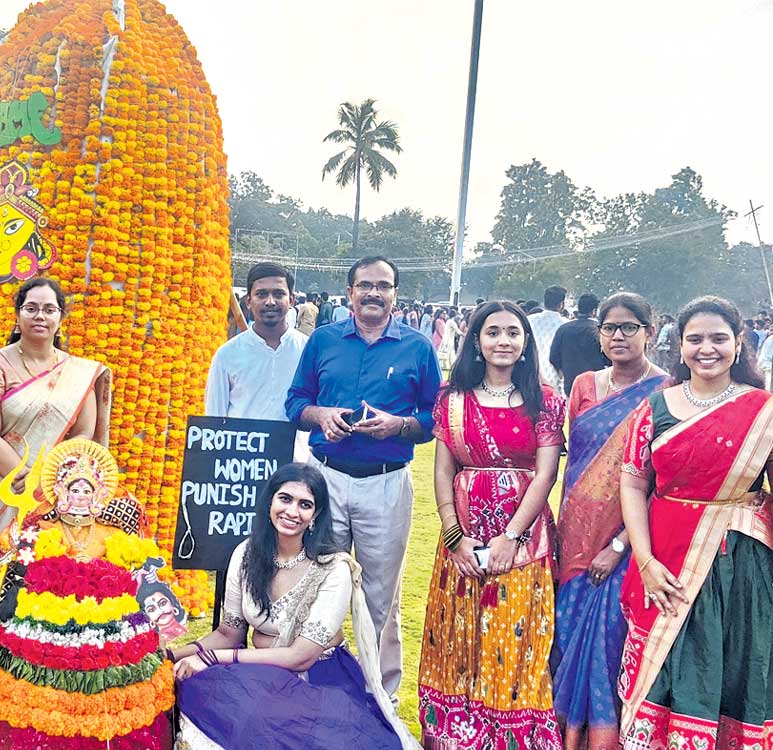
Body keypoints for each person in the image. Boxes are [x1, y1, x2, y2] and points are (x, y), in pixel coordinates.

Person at [616, 295, 773, 750]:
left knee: (737, 673)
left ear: (739, 344)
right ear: (680, 345)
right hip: (667, 565)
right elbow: (633, 485)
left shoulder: (769, 414)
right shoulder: (654, 409)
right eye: (695, 339)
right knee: (669, 674)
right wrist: (646, 559)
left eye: (719, 338)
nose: (706, 348)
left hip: (742, 572)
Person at [174, 463, 417, 750]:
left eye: (305, 504)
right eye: (285, 499)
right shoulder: (246, 554)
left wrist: (213, 658)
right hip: (264, 674)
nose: (292, 511)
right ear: (269, 502)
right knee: (190, 685)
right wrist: (169, 654)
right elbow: (229, 633)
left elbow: (300, 657)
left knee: (261, 728)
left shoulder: (333, 569)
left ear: (315, 516)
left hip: (319, 680)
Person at [286, 255, 441, 696]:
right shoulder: (323, 341)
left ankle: (383, 692)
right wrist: (322, 415)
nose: (374, 293)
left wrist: (400, 425)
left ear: (395, 293)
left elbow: (434, 417)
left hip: (386, 482)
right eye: (365, 285)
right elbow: (296, 403)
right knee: (316, 582)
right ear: (350, 291)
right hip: (326, 480)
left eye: (384, 285)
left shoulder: (417, 347)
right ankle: (314, 682)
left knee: (380, 594)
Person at [0, 439, 172, 749]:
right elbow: (13, 568)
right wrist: (17, 544)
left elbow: (139, 577)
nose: (81, 497)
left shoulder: (115, 535)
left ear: (99, 496)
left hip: (104, 648)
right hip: (44, 643)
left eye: (87, 491)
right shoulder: (40, 530)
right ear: (61, 494)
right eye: (74, 490)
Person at [417, 300, 566, 750]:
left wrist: (510, 539)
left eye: (513, 333)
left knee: (515, 642)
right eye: (493, 332)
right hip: (462, 540)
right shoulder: (452, 399)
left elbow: (545, 474)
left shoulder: (545, 400)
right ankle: (454, 735)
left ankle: (509, 737)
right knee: (459, 636)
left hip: (523, 541)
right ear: (476, 341)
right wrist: (454, 536)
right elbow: (443, 471)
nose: (503, 341)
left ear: (525, 343)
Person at [0, 277, 111, 668]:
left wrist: (53, 484)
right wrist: (29, 481)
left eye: (49, 309)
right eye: (32, 308)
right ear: (18, 313)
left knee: (43, 576)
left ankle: (31, 671)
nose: (40, 316)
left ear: (61, 318)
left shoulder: (79, 373)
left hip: (57, 493)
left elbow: (83, 434)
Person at [550, 293, 668, 750]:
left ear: (649, 332)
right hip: (572, 528)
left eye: (629, 327)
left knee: (606, 641)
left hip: (625, 537)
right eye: (609, 327)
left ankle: (599, 739)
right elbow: (576, 457)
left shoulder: (666, 391)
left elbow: (656, 481)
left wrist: (619, 546)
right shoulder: (583, 385)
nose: (618, 336)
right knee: (564, 630)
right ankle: (560, 734)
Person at [206, 261, 308, 421]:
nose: (270, 301)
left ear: (292, 300)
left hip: (297, 446)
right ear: (248, 301)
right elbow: (214, 417)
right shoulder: (227, 354)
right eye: (261, 294)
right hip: (241, 446)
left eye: (279, 294)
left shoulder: (308, 350)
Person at [549, 292, 609, 397]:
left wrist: (564, 371)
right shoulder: (601, 331)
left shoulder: (563, 329)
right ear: (594, 311)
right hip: (596, 387)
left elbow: (553, 357)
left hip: (571, 386)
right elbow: (609, 358)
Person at [528, 285, 569, 391]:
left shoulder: (528, 320)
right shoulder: (566, 325)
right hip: (554, 376)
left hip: (530, 373)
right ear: (561, 304)